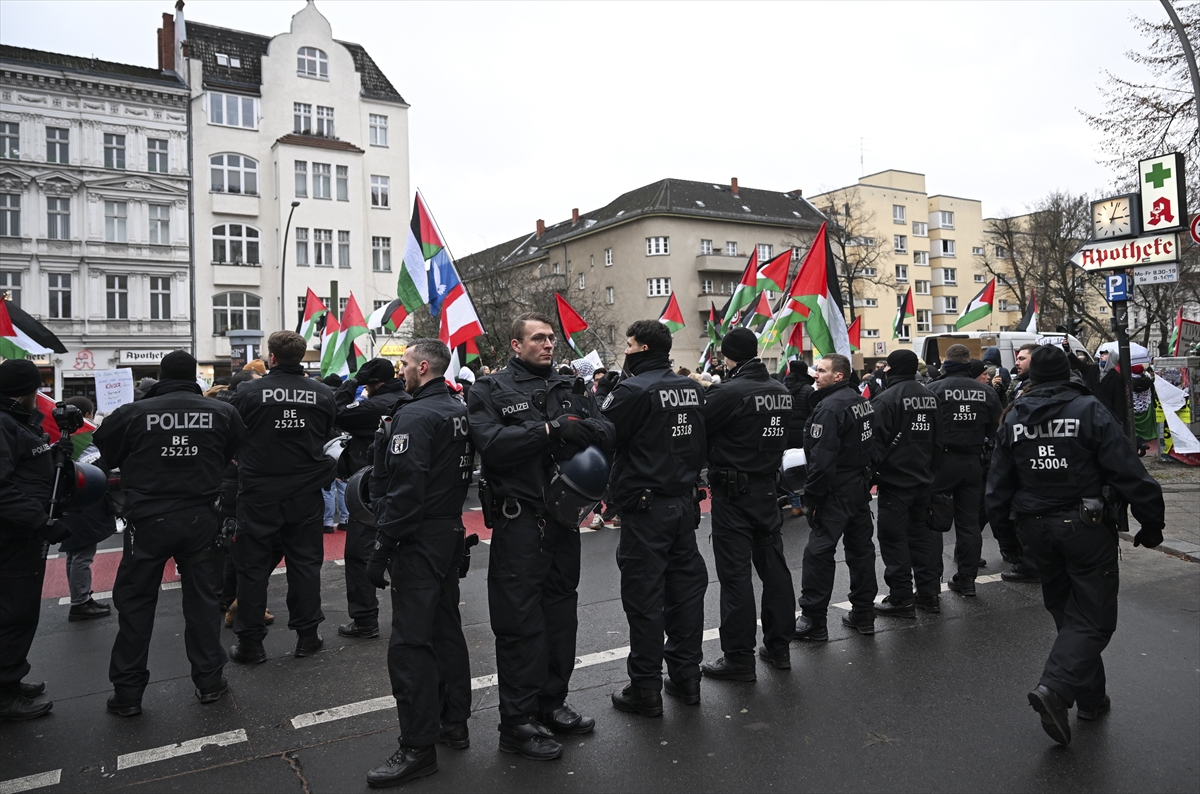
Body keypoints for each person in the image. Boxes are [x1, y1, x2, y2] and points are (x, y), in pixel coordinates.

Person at [986, 345, 1165, 746]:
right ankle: (1056, 689)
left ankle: (1090, 698)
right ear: (1069, 371)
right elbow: (1128, 472)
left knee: (1070, 614)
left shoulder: (1014, 415)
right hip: (1083, 527)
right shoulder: (1088, 409)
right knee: (1095, 618)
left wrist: (1007, 539)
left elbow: (997, 486)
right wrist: (1151, 523)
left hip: (1035, 529)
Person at [467, 312, 613, 761]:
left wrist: (575, 427)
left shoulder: (571, 386)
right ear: (515, 345)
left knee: (560, 617)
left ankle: (552, 703)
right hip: (521, 522)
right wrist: (550, 430)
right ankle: (518, 721)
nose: (548, 345)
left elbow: (606, 433)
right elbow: (492, 445)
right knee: (519, 623)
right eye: (538, 339)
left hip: (564, 522)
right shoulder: (489, 390)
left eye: (551, 338)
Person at [93, 351, 246, 716]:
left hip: (148, 519)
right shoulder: (222, 412)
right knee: (203, 601)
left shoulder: (133, 413)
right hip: (200, 517)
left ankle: (128, 692)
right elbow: (232, 449)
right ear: (194, 375)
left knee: (135, 603)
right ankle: (209, 681)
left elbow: (106, 452)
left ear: (160, 375)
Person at [364, 340, 474, 788]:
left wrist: (382, 545)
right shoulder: (457, 408)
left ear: (423, 366)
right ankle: (454, 723)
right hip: (447, 531)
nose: (401, 370)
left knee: (410, 644)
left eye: (405, 363)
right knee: (445, 630)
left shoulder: (415, 415)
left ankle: (417, 747)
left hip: (419, 536)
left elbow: (407, 488)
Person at [602, 320, 708, 715]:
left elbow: (604, 436)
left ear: (642, 348)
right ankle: (687, 677)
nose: (625, 350)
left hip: (646, 509)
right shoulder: (692, 389)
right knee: (685, 594)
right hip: (683, 503)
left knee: (645, 599)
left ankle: (645, 688)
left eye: (629, 344)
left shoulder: (631, 390)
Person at [229, 331, 337, 664]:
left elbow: (232, 435)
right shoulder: (322, 393)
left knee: (252, 568)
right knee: (304, 565)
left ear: (271, 357)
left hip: (259, 492)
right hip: (304, 491)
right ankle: (307, 636)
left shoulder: (247, 392)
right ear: (301, 358)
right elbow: (327, 435)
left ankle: (250, 644)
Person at [699, 328, 794, 679]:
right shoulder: (780, 390)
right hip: (767, 489)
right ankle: (779, 647)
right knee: (774, 569)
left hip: (733, 493)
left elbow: (700, 430)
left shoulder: (728, 391)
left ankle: (739, 657)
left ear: (728, 355)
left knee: (736, 576)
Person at [793, 353, 878, 641]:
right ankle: (864, 613)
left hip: (836, 489)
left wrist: (812, 499)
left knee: (818, 553)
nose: (815, 374)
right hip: (858, 486)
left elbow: (822, 460)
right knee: (861, 550)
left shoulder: (830, 408)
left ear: (838, 376)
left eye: (821, 370)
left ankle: (814, 621)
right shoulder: (859, 400)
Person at [332, 358, 410, 640]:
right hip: (403, 490)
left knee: (358, 555)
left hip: (368, 491)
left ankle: (365, 619)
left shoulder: (373, 405)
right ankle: (412, 616)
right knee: (402, 555)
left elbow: (334, 410)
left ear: (373, 383)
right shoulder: (408, 398)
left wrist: (352, 381)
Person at [0, 360, 60, 720]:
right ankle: (4, 694)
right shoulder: (5, 424)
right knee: (13, 613)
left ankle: (9, 678)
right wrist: (41, 521)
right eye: (35, 391)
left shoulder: (17, 422)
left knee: (19, 612)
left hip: (21, 534)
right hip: (12, 536)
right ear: (23, 392)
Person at [870, 350, 940, 618]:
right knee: (922, 538)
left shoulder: (886, 399)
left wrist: (872, 477)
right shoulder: (931, 396)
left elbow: (875, 445)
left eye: (887, 365)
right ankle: (929, 595)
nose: (884, 370)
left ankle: (901, 598)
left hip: (895, 483)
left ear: (893, 368)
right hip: (923, 480)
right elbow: (937, 441)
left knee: (894, 540)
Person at [928, 344, 1003, 597]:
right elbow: (995, 431)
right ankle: (968, 578)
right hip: (973, 462)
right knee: (969, 522)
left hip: (941, 462)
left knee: (934, 521)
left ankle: (931, 582)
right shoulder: (987, 392)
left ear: (945, 361)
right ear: (968, 362)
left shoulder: (933, 390)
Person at [56, 396, 116, 621]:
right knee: (82, 555)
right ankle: (80, 603)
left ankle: (79, 597)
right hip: (84, 504)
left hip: (68, 503)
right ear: (87, 416)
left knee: (75, 554)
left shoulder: (60, 439)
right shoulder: (87, 439)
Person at [783, 360, 815, 517]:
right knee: (806, 468)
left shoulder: (781, 388)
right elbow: (814, 414)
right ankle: (808, 501)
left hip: (786, 436)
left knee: (789, 469)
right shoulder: (808, 390)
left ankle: (795, 505)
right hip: (803, 435)